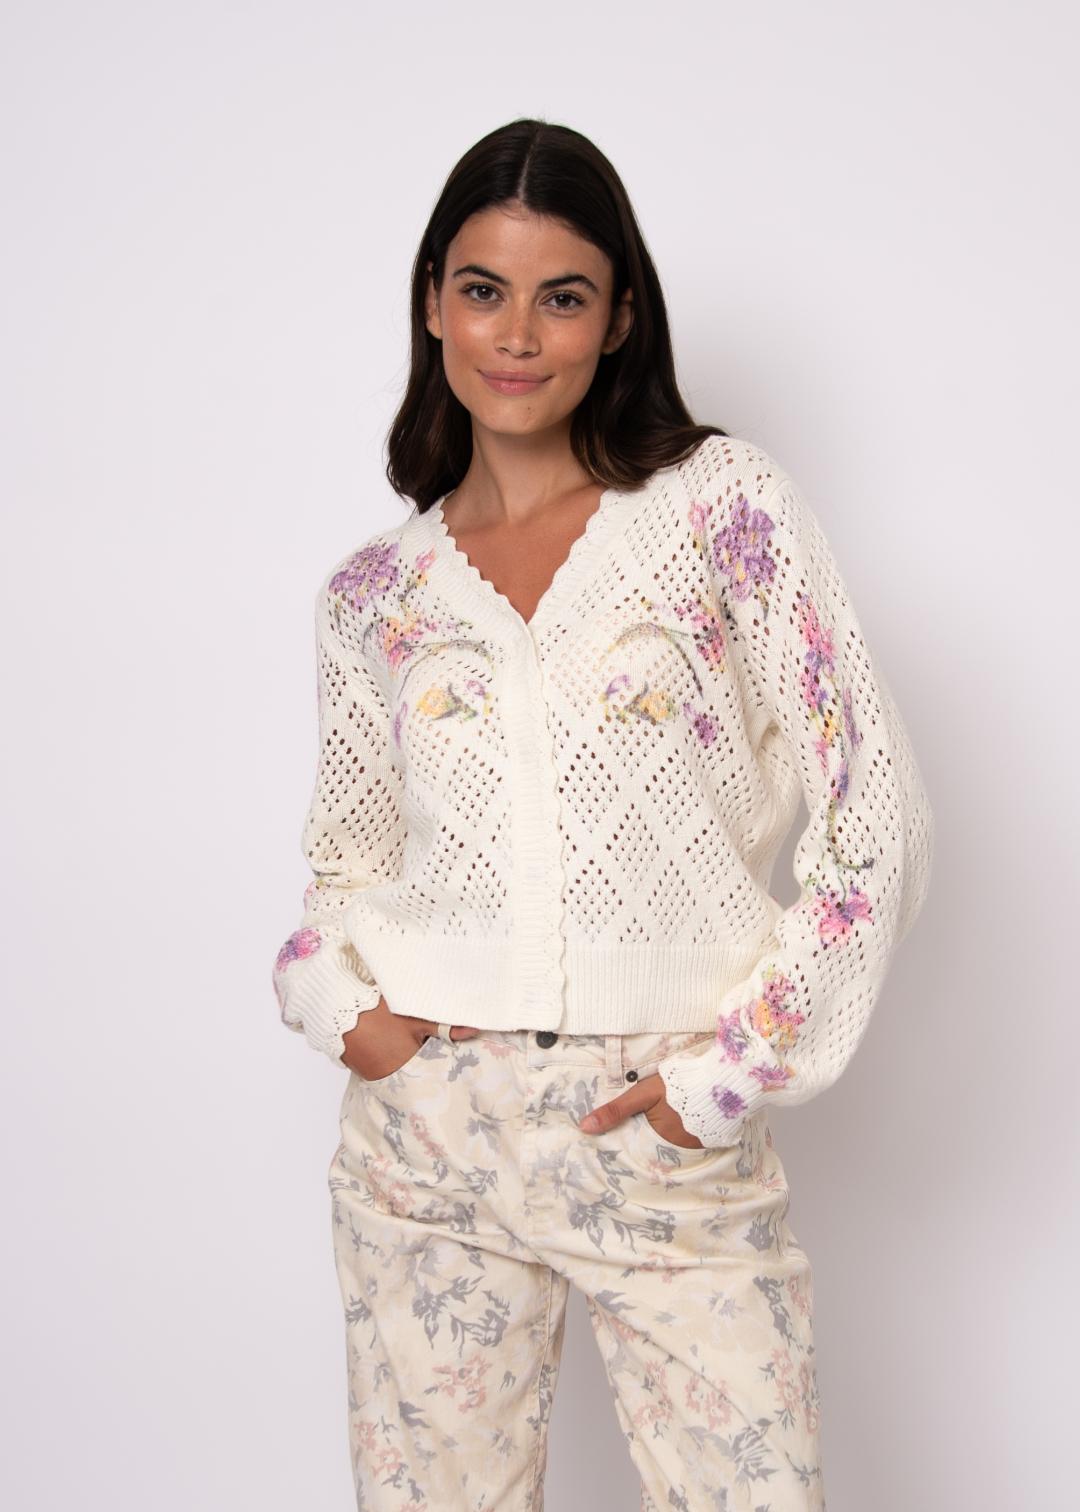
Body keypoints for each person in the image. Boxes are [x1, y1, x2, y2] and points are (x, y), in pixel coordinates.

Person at [271, 117, 934, 1512]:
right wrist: (346, 1010)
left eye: (562, 296)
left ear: (620, 317)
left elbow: (874, 811)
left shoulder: (722, 511)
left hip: (662, 1111)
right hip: (425, 1134)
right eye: (483, 289)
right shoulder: (374, 594)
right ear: (432, 304)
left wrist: (730, 1074)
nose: (517, 335)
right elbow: (345, 863)